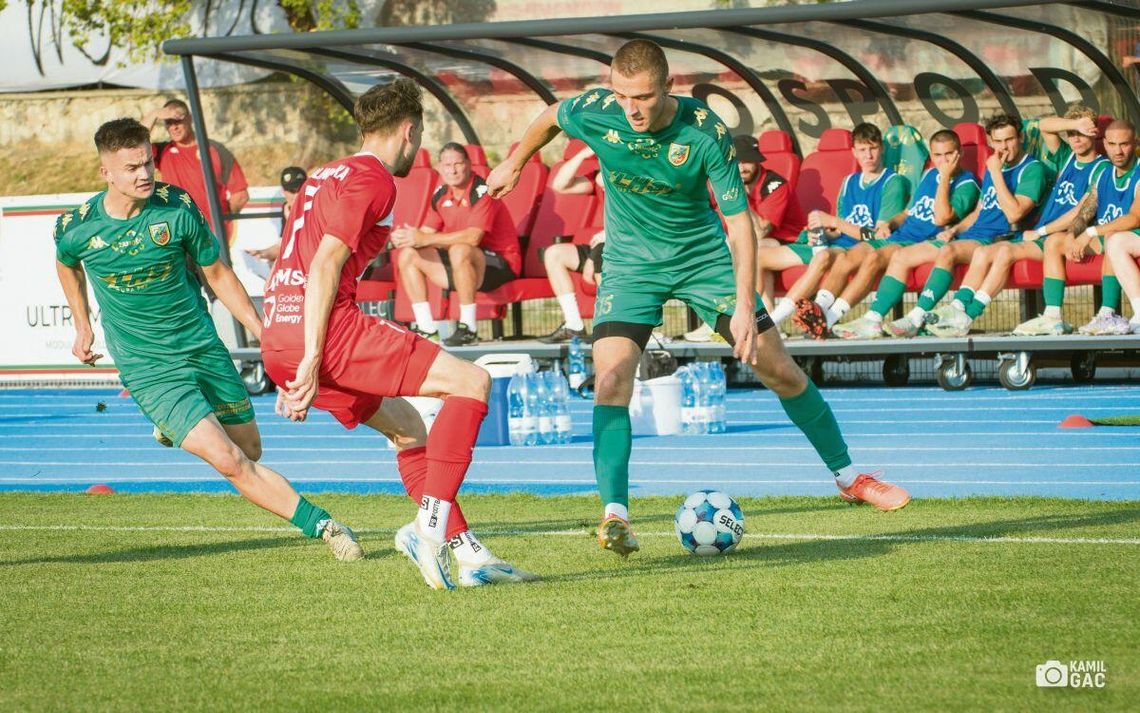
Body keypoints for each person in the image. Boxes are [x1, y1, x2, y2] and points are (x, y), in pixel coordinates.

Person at [487, 40, 909, 559]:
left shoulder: (705, 131)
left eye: (642, 97)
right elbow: (553, 114)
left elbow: (738, 224)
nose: (631, 109)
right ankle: (615, 515)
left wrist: (743, 309)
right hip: (631, 265)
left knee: (778, 368)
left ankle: (849, 477)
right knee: (612, 379)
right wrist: (514, 161)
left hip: (702, 260)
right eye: (623, 96)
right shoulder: (599, 110)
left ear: (668, 86)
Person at [261, 80, 535, 589]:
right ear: (409, 131)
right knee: (472, 382)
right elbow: (324, 265)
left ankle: (469, 551)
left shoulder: (323, 175)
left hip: (279, 330)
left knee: (409, 431)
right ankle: (426, 530)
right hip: (327, 332)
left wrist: (289, 356)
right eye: (422, 134)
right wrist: (312, 359)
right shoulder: (376, 180)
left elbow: (294, 259)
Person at [54, 118, 362, 562]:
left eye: (147, 163)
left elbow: (217, 273)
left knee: (250, 449)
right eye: (132, 168)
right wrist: (82, 324)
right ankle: (326, 526)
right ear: (107, 173)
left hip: (201, 347)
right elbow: (66, 263)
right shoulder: (77, 226)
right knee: (229, 461)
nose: (144, 174)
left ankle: (172, 426)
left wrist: (263, 335)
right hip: (148, 367)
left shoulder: (178, 208)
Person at [921, 108, 1107, 337]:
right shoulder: (1066, 156)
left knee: (1003, 252)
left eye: (1083, 133)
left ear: (1095, 134)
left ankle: (969, 316)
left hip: (1056, 237)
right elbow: (1044, 125)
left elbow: (1079, 213)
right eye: (1071, 133)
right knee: (983, 253)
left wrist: (1040, 231)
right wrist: (1076, 124)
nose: (1076, 138)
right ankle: (958, 308)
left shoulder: (1102, 167)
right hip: (1040, 236)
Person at [871, 114, 1049, 338]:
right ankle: (873, 319)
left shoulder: (1031, 169)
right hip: (970, 235)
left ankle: (917, 317)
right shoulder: (995, 165)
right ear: (991, 142)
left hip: (996, 238)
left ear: (1020, 137)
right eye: (998, 141)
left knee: (948, 251)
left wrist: (995, 171)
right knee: (903, 255)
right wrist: (954, 230)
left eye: (1009, 140)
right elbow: (979, 211)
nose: (1004, 147)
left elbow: (1014, 213)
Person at [757, 123, 910, 337]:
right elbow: (838, 227)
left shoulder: (893, 182)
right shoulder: (849, 182)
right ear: (854, 152)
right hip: (835, 242)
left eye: (873, 148)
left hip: (860, 248)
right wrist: (822, 231)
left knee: (823, 257)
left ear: (882, 148)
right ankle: (759, 318)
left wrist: (835, 223)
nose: (869, 155)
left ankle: (771, 323)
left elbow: (877, 234)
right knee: (757, 257)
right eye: (863, 150)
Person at [828, 130, 981, 339]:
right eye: (937, 155)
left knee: (875, 256)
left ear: (959, 153)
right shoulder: (928, 175)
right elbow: (909, 211)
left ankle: (869, 318)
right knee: (854, 253)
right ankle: (828, 315)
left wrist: (945, 177)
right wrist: (891, 223)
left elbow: (942, 218)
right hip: (900, 233)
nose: (943, 161)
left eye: (949, 154)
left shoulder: (967, 183)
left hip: (919, 240)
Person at [1011, 120, 1140, 336]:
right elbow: (1087, 210)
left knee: (1112, 238)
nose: (1118, 151)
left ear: (1135, 143)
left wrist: (1090, 232)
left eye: (1125, 144)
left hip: (1129, 236)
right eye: (1113, 144)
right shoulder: (1103, 174)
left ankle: (1107, 313)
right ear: (1105, 143)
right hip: (1109, 237)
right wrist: (1072, 235)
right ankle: (1052, 317)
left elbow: (1134, 218)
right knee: (1055, 241)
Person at [393, 143, 522, 347]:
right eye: (447, 165)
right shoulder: (440, 194)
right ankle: (427, 328)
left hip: (500, 264)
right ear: (440, 167)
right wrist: (406, 237)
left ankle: (468, 328)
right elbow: (425, 233)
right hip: (462, 264)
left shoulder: (483, 191)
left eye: (458, 164)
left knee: (460, 249)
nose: (452, 170)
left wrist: (424, 239)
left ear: (469, 164)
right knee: (408, 255)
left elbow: (473, 238)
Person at [685, 134, 797, 342]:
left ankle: (728, 316)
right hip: (754, 248)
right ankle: (769, 327)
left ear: (757, 161)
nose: (741, 167)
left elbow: (761, 231)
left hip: (783, 243)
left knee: (750, 249)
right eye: (736, 161)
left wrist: (738, 197)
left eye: (746, 161)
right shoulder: (721, 184)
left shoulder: (775, 184)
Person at [142, 99, 249, 239]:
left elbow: (240, 195)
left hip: (212, 237)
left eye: (177, 121)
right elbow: (134, 142)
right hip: (178, 235)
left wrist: (221, 220)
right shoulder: (163, 151)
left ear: (190, 118)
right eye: (169, 123)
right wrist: (154, 114)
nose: (174, 127)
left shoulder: (214, 150)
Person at [538, 145, 605, 344]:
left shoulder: (632, 177)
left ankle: (607, 325)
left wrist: (606, 239)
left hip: (630, 243)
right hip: (603, 244)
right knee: (554, 254)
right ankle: (574, 324)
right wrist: (584, 153)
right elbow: (560, 185)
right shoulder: (597, 179)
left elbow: (642, 215)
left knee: (602, 254)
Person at [245, 166, 308, 264]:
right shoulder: (287, 208)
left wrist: (292, 222)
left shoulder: (315, 207)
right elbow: (282, 246)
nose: (297, 195)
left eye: (301, 189)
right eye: (292, 191)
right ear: (283, 192)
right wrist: (261, 253)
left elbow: (308, 245)